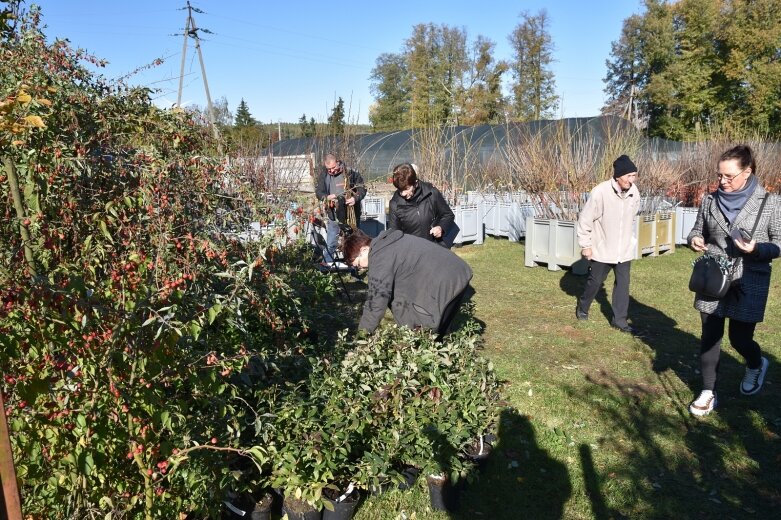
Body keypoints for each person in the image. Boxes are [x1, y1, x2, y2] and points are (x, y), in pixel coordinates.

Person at [686, 144, 780, 417]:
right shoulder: (709, 200)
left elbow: (779, 243)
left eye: (729, 176)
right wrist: (694, 239)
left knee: (740, 338)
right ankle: (707, 391)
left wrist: (758, 249)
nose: (722, 182)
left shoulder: (770, 202)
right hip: (713, 276)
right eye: (719, 175)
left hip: (749, 278)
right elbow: (696, 228)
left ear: (747, 172)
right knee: (710, 335)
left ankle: (755, 364)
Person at [342, 229, 472, 336]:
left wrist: (362, 336)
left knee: (426, 332)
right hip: (459, 272)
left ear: (364, 249)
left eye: (358, 264)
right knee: (441, 329)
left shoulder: (379, 256)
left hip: (446, 281)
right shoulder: (389, 242)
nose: (361, 268)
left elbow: (376, 302)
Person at [575, 154, 641, 334]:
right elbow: (585, 220)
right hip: (602, 248)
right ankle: (583, 307)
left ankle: (620, 320)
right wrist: (586, 244)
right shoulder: (600, 192)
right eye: (629, 176)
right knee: (595, 282)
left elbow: (632, 217)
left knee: (623, 284)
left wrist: (631, 240)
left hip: (624, 250)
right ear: (618, 176)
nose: (632, 180)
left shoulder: (634, 192)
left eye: (634, 175)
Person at [315, 153, 366, 264]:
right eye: (329, 169)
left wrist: (355, 198)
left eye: (333, 168)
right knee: (331, 241)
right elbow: (319, 192)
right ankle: (328, 265)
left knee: (353, 240)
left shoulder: (350, 172)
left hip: (351, 213)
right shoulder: (324, 175)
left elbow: (362, 188)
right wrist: (326, 197)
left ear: (338, 162)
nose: (332, 171)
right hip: (333, 213)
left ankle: (354, 264)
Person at [388, 163, 455, 247]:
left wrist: (441, 227)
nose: (402, 193)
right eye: (400, 189)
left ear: (415, 183)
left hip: (435, 249)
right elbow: (394, 235)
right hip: (412, 253)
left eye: (406, 189)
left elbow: (448, 215)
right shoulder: (395, 204)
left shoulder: (431, 193)